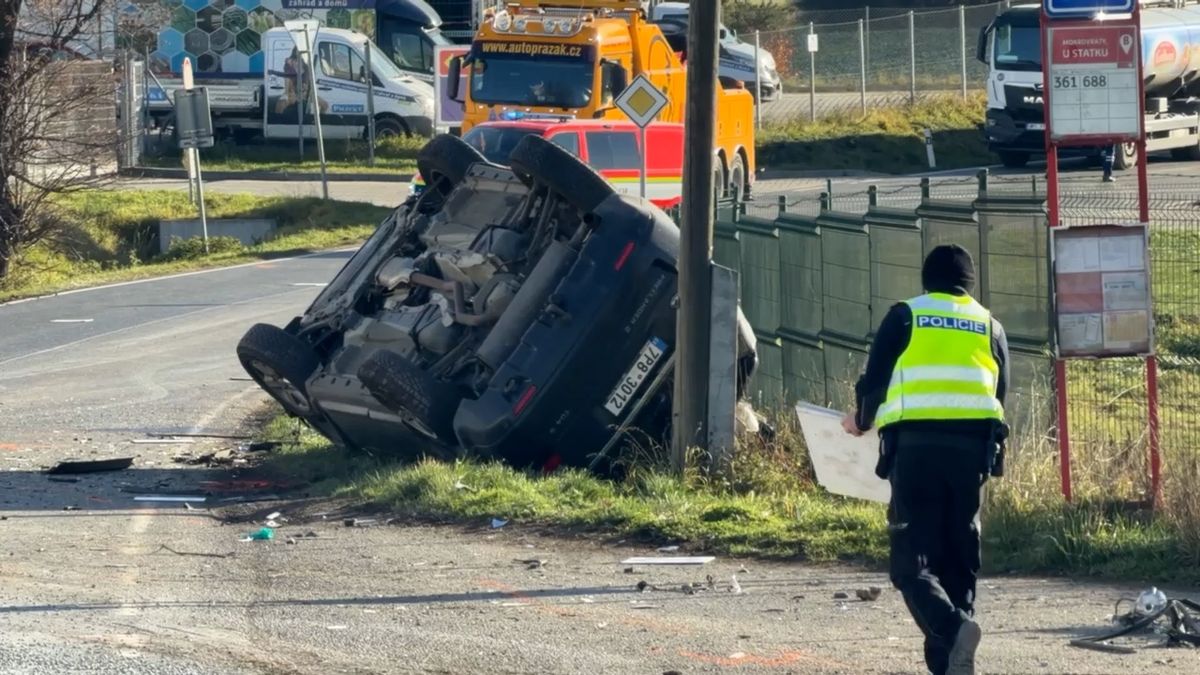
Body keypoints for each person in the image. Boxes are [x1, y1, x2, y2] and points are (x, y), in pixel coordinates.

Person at [841, 244, 1010, 675]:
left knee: (911, 563)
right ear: (969, 284)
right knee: (957, 561)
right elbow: (999, 396)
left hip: (915, 453)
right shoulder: (990, 326)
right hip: (971, 455)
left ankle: (954, 631)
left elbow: (874, 383)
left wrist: (860, 421)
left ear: (926, 279)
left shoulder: (906, 316)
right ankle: (952, 663)